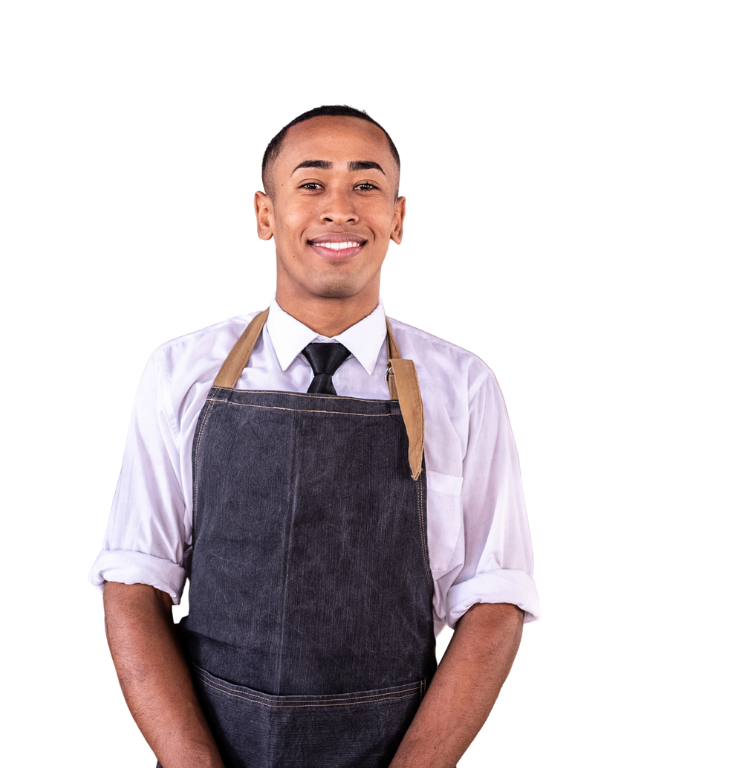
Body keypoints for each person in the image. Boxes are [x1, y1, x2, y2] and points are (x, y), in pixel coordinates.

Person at [88, 104, 541, 768]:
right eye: (310, 184)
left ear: (399, 218)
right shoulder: (178, 370)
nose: (340, 208)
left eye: (366, 184)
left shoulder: (464, 384)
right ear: (264, 215)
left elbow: (496, 598)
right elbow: (134, 583)